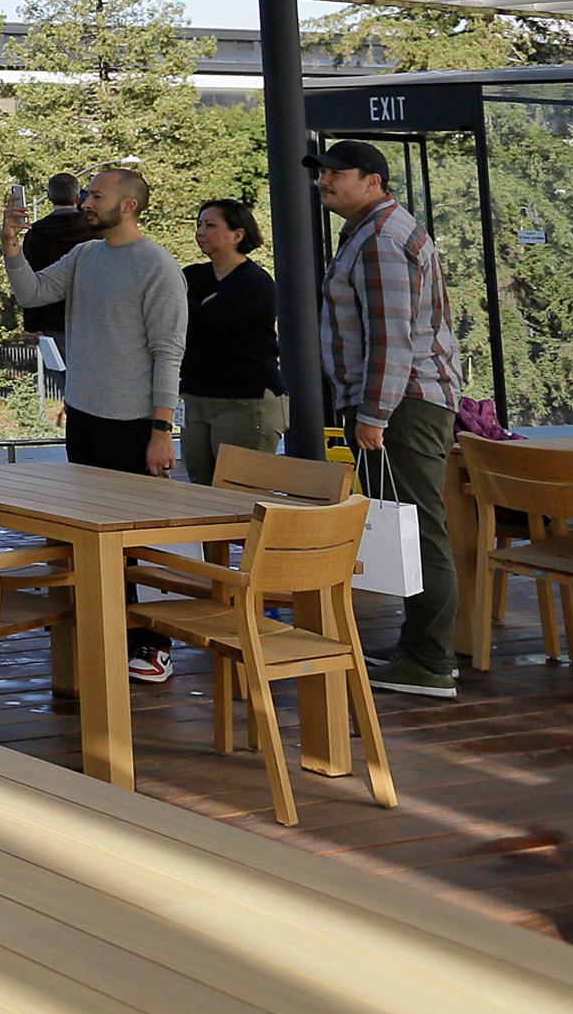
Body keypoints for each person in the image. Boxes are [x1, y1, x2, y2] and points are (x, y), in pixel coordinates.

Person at [3, 167, 187, 682]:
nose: (86, 202)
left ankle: (152, 645)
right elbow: (32, 294)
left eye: (96, 195)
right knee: (89, 532)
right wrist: (12, 244)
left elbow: (168, 351)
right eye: (86, 194)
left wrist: (161, 428)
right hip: (84, 414)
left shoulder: (157, 266)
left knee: (135, 539)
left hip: (134, 423)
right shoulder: (85, 255)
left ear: (127, 205)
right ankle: (105, 633)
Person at [312, 138, 466, 700]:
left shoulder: (380, 239)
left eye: (336, 173)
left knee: (420, 532)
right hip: (403, 402)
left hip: (403, 405)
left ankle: (429, 664)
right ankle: (419, 651)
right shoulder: (376, 230)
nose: (324, 181)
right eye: (321, 173)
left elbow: (392, 340)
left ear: (373, 181)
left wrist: (373, 414)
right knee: (413, 527)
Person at [180, 199, 286, 486]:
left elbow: (208, 323)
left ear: (238, 235)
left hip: (245, 400)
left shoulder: (255, 282)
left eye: (211, 225)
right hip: (198, 397)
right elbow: (170, 313)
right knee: (201, 489)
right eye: (199, 224)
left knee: (239, 494)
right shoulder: (193, 275)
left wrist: (192, 308)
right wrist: (196, 307)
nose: (201, 231)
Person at [21, 172, 103, 406]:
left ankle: (77, 432)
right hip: (94, 318)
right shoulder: (94, 230)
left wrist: (32, 326)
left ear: (49, 197)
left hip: (54, 320)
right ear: (78, 196)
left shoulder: (37, 233)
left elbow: (31, 281)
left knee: (70, 391)